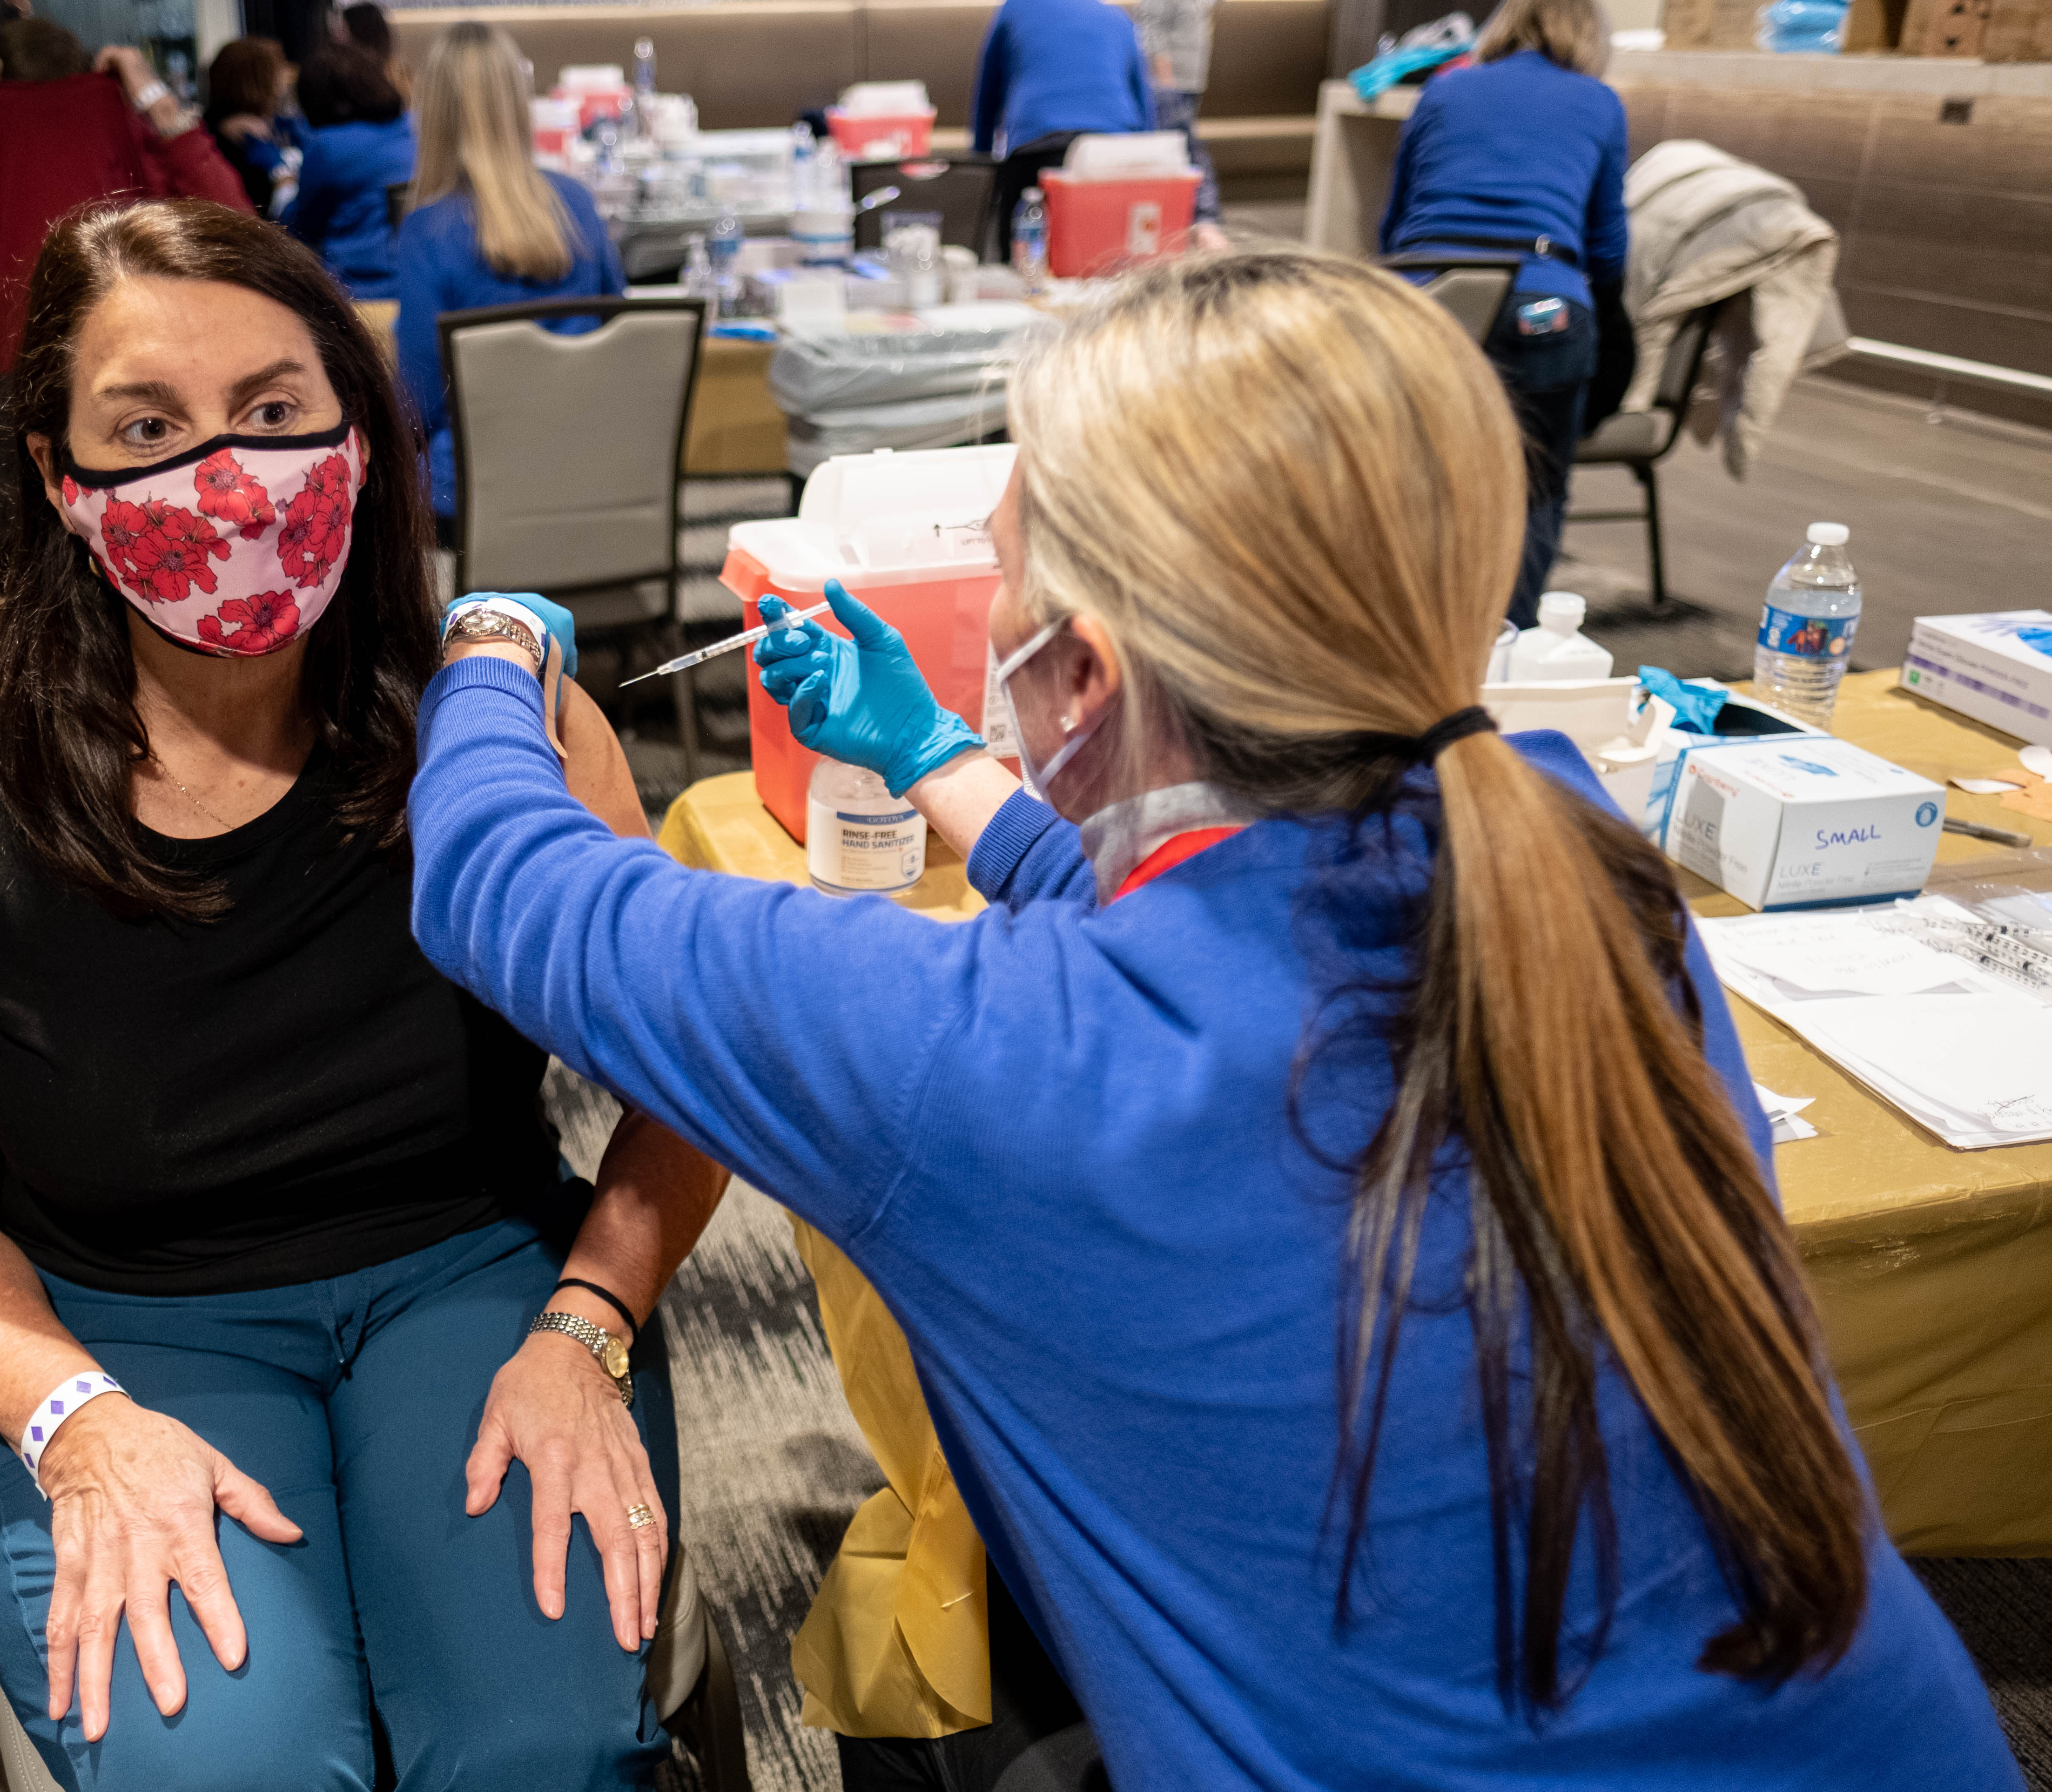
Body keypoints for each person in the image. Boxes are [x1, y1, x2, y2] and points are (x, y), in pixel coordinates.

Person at [405, 249, 2024, 1789]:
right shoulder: (1571, 865)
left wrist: (485, 637)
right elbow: (1205, 932)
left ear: (1078, 675)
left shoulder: (971, 1056)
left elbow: (491, 876)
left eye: (1007, 569)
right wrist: (929, 756)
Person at [0, 198, 726, 1790]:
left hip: (472, 1280)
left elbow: (691, 1075)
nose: (225, 477)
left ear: (356, 442)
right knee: (234, 1767)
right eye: (147, 426)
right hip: (116, 1321)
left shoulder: (492, 729)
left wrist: (587, 1325)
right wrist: (75, 1423)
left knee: (536, 1750)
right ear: (58, 476)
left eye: (270, 413)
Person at [1380, 0, 1628, 626]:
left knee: (1410, 477)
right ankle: (1506, 647)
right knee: (1535, 485)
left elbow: (1395, 221)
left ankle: (1402, 635)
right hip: (1539, 302)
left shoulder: (1446, 88)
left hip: (1426, 302)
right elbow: (1608, 248)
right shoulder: (1598, 102)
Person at [0, 20, 250, 380]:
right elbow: (242, 238)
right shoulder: (123, 124)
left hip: (25, 395)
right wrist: (160, 106)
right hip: (146, 381)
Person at [392, 22, 623, 531]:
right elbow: (619, 332)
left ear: (433, 114)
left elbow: (416, 397)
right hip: (591, 470)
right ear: (517, 103)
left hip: (471, 489)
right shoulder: (577, 204)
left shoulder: (427, 231)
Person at [970, 0, 1152, 261]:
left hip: (1036, 149)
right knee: (1113, 261)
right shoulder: (1119, 17)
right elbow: (1144, 103)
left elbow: (987, 96)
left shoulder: (1014, 8)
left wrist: (982, 164)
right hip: (1114, 153)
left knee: (1020, 263)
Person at [284, 40, 414, 300]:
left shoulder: (328, 147)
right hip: (417, 283)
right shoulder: (416, 128)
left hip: (354, 294)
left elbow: (303, 227)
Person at [1136, 0, 1224, 237]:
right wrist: (1164, 80)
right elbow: (1151, 28)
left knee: (1186, 151)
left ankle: (1187, 220)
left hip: (1194, 79)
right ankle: (1166, 223)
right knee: (1175, 149)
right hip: (1170, 84)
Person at [204, 35, 302, 216]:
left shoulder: (277, 122)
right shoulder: (231, 133)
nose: (287, 74)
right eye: (279, 68)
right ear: (257, 79)